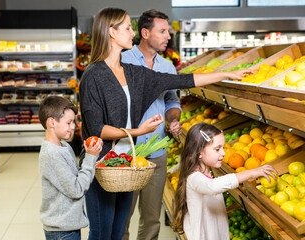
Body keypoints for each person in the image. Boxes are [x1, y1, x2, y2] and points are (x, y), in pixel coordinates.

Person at [79, 7, 253, 240]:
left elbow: (182, 79)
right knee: (103, 233)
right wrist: (140, 130)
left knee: (119, 230)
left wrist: (225, 75)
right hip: (103, 165)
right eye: (128, 27)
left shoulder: (132, 73)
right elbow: (96, 128)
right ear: (111, 32)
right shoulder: (93, 75)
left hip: (128, 162)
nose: (133, 33)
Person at [121, 9, 182, 240]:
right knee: (122, 216)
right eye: (162, 31)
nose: (168, 36)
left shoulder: (167, 67)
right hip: (127, 150)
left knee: (151, 218)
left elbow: (172, 100)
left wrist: (173, 119)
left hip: (156, 151)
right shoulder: (123, 61)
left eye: (168, 31)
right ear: (145, 33)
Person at [171, 123, 277, 240]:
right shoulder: (194, 178)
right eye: (217, 149)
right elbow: (213, 186)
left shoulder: (208, 172)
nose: (224, 153)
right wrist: (251, 172)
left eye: (223, 148)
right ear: (199, 152)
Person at [38, 96, 103, 240]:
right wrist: (91, 157)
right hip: (61, 231)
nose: (73, 126)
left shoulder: (64, 146)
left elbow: (75, 176)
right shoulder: (52, 154)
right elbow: (77, 189)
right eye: (69, 122)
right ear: (51, 122)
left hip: (67, 226)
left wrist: (89, 155)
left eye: (73, 122)